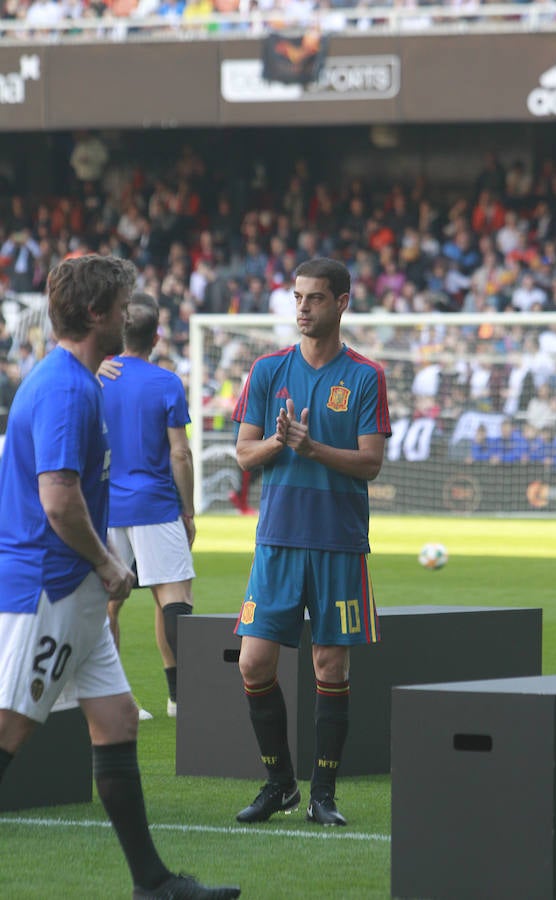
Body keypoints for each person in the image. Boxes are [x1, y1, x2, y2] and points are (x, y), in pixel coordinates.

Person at [0, 255, 240, 900]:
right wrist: (110, 564)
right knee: (10, 731)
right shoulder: (65, 388)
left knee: (117, 722)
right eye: (123, 301)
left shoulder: (80, 380)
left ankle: (153, 884)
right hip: (48, 588)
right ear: (98, 314)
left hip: (73, 591)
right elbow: (57, 497)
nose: (131, 310)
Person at [232, 257, 391, 827]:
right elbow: (244, 453)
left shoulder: (365, 376)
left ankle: (323, 794)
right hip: (276, 539)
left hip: (338, 541)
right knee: (253, 661)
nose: (303, 307)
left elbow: (370, 464)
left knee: (331, 664)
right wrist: (280, 443)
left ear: (342, 303)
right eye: (298, 297)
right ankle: (279, 784)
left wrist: (312, 446)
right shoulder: (268, 370)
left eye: (315, 298)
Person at [99, 292, 196, 720]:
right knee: (173, 598)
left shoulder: (94, 377)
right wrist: (188, 511)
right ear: (157, 335)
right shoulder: (166, 381)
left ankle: (116, 701)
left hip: (105, 508)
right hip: (156, 504)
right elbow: (180, 453)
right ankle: (182, 697)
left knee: (106, 605)